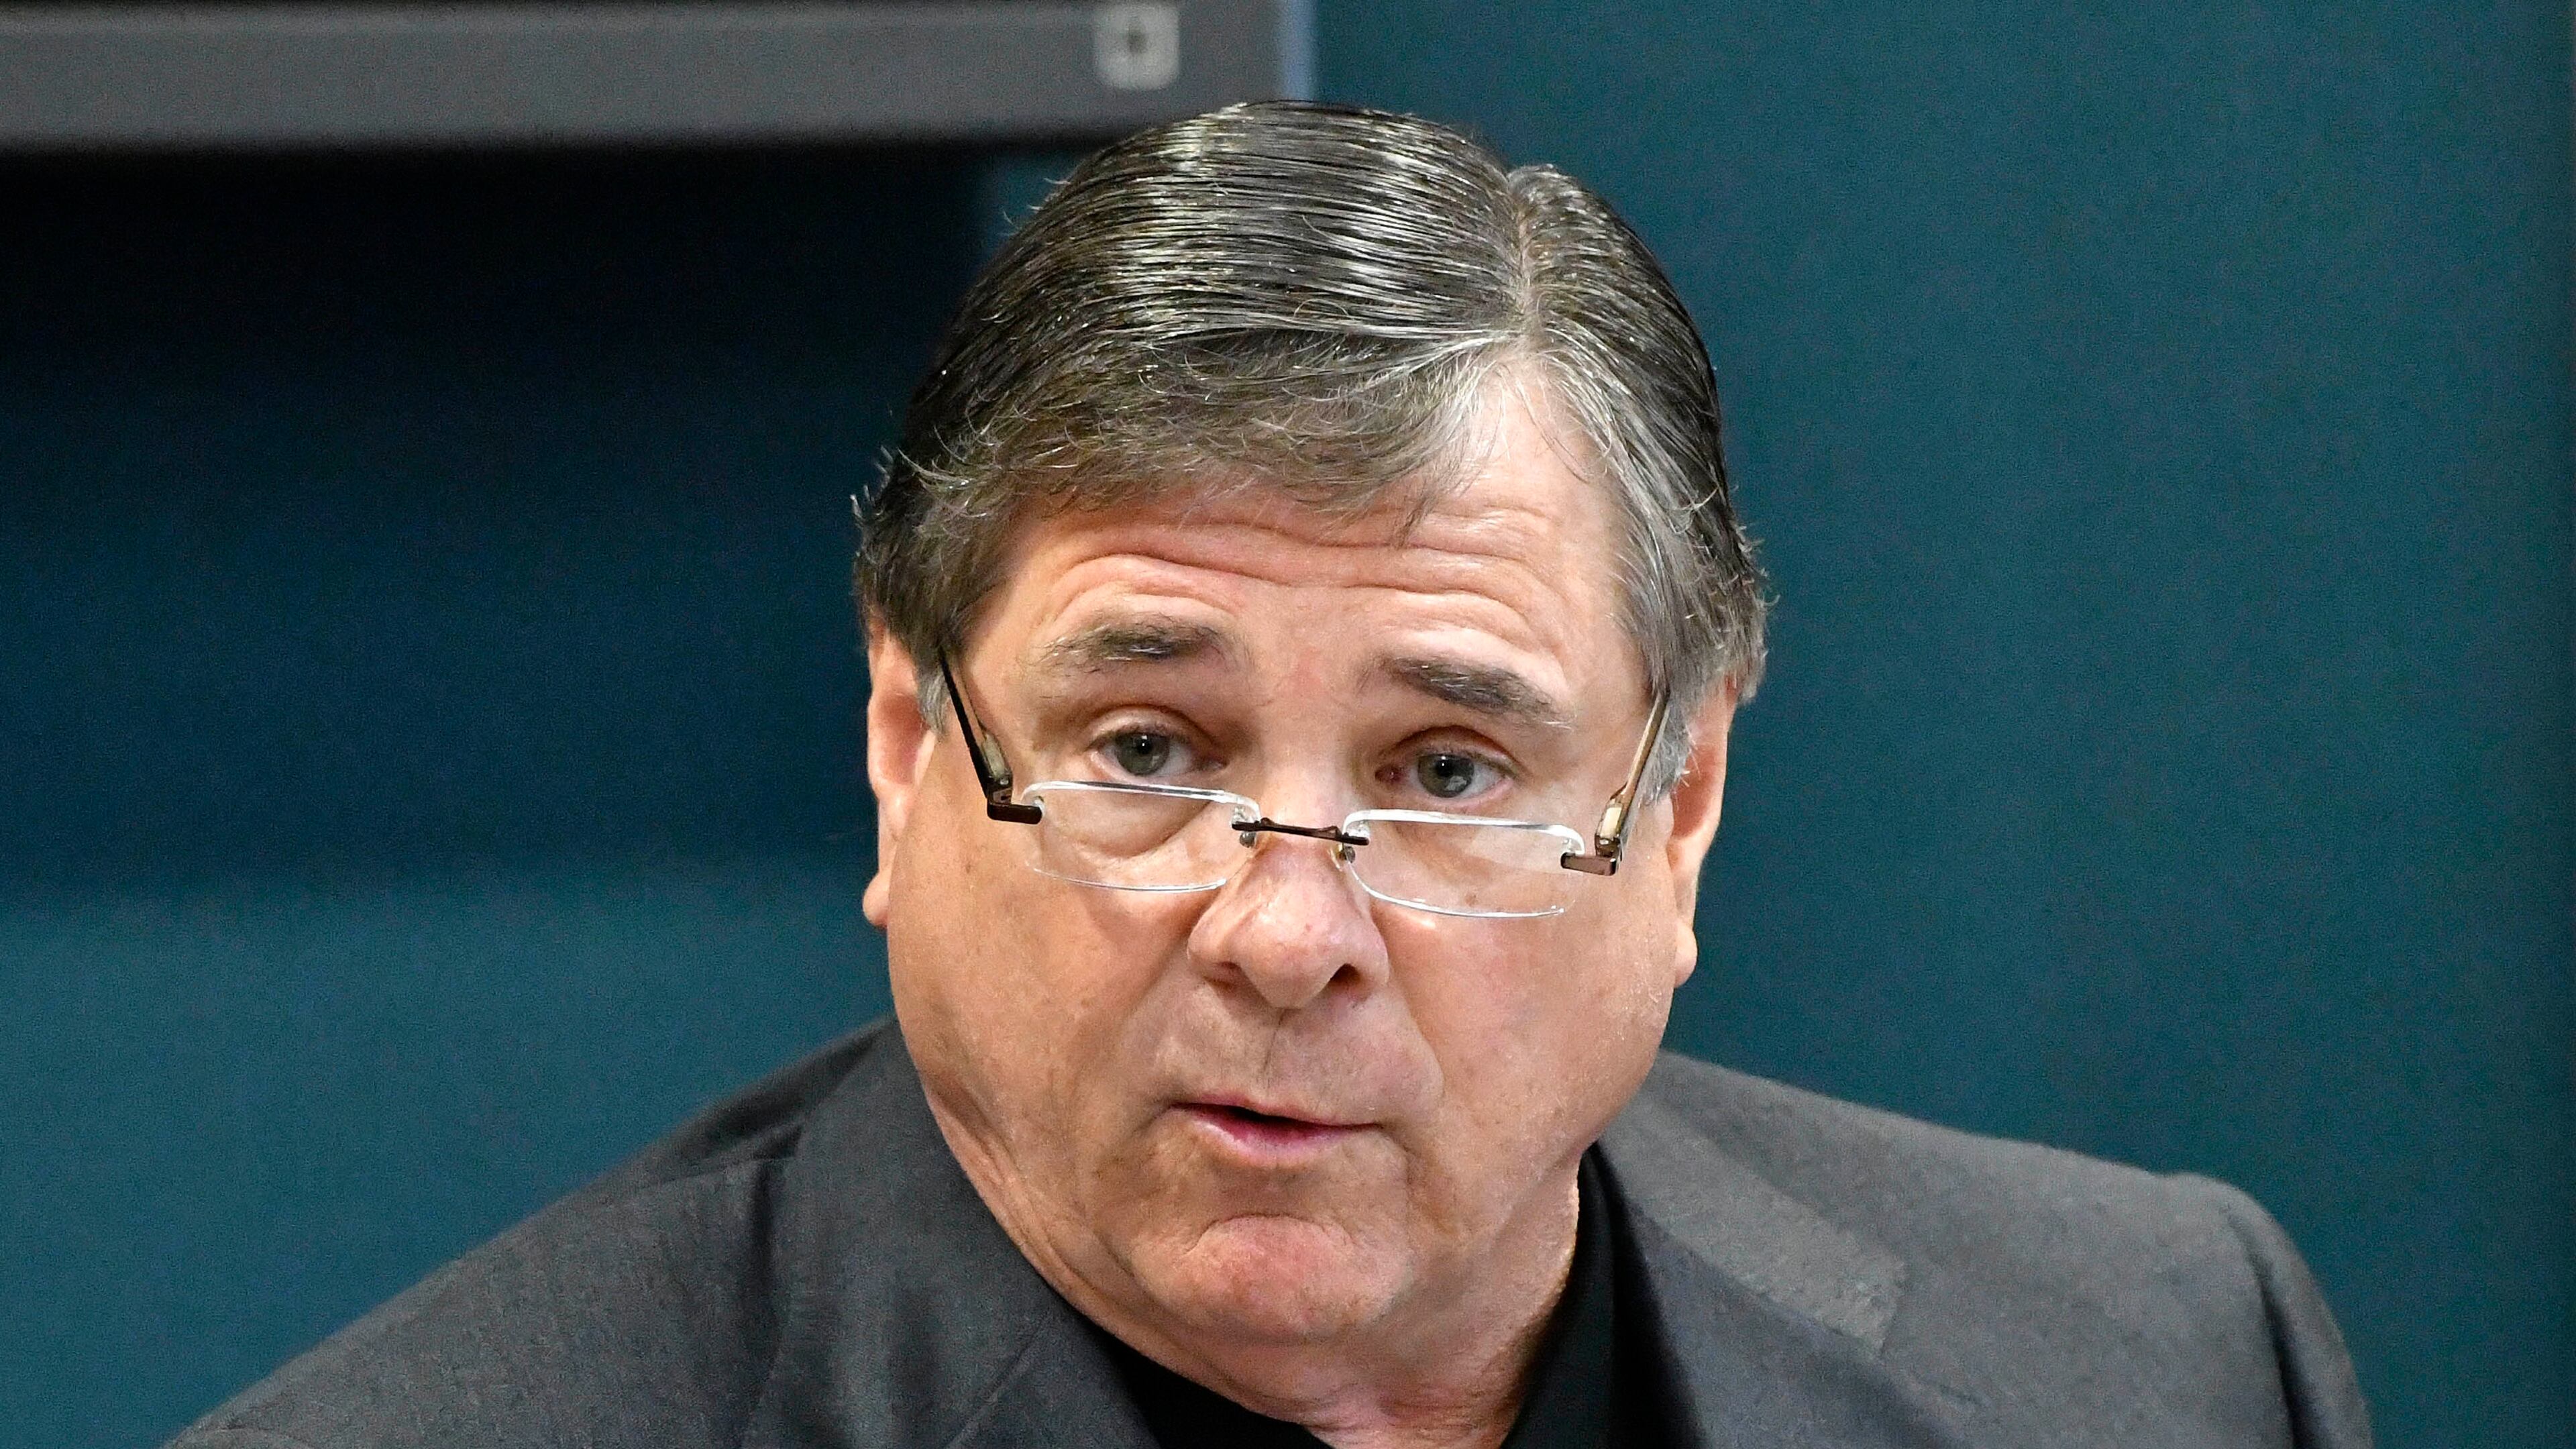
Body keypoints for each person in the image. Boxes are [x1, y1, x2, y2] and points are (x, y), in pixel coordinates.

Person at [172, 101, 2372, 1449]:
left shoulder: (2157, 1364)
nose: (1292, 931)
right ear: (906, 744)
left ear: (1678, 811)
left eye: (1443, 766)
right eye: (1147, 749)